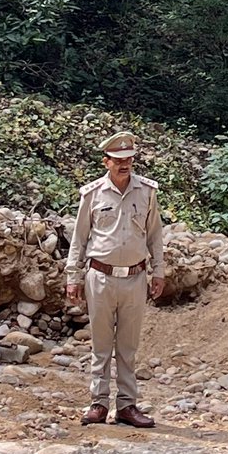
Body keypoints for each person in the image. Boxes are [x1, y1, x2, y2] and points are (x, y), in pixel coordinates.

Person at [65, 132, 165, 428]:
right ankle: (98, 402)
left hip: (135, 276)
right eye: (118, 160)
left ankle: (127, 406)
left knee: (128, 346)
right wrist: (73, 276)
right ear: (106, 161)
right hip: (100, 276)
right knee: (101, 343)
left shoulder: (146, 191)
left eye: (129, 159)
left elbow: (155, 234)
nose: (125, 165)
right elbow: (79, 238)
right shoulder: (93, 194)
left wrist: (158, 271)